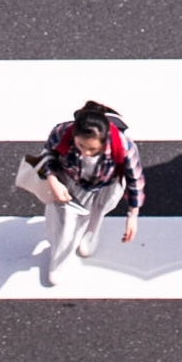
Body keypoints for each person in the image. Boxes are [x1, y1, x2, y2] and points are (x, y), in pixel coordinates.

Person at [34, 101, 145, 284]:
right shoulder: (62, 132)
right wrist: (53, 179)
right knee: (66, 226)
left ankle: (90, 236)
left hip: (107, 185)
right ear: (74, 135)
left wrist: (132, 215)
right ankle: (59, 260)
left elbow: (135, 180)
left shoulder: (124, 146)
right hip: (72, 182)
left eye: (93, 149)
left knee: (98, 212)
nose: (86, 152)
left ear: (105, 139)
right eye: (80, 145)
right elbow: (48, 154)